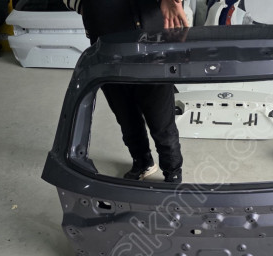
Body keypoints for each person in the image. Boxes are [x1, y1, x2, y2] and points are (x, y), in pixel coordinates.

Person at [63, 0, 187, 183]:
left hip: (153, 51)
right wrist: (89, 7)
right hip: (107, 51)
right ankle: (143, 162)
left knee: (162, 125)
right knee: (127, 120)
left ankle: (172, 172)